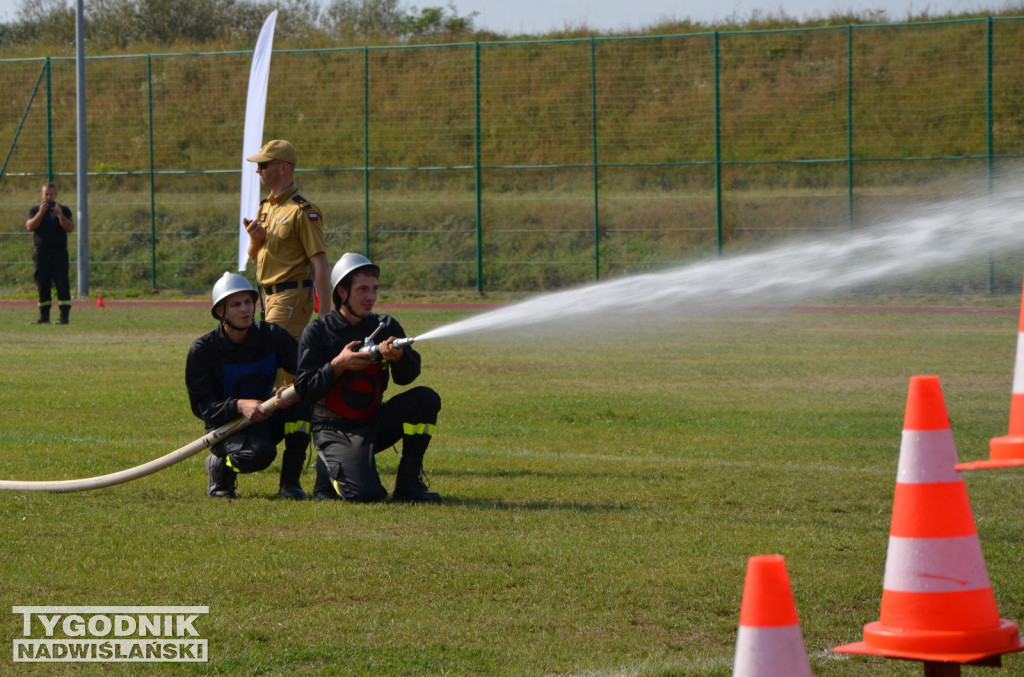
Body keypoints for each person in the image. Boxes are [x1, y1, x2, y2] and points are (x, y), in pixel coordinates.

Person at [294, 253, 442, 503]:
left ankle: (408, 485)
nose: (371, 297)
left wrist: (398, 358)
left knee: (425, 399)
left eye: (374, 289)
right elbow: (304, 390)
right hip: (333, 428)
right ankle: (327, 472)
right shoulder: (319, 332)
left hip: (372, 422)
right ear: (341, 292)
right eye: (362, 289)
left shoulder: (386, 326)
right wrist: (338, 364)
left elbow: (408, 377)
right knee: (366, 495)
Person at [185, 272, 310, 499]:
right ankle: (220, 466)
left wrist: (291, 391)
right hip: (227, 428)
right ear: (220, 311)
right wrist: (240, 406)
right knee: (259, 455)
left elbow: (305, 367)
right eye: (235, 305)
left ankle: (290, 483)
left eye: (248, 303)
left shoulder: (272, 336)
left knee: (302, 406)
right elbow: (203, 406)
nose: (245, 310)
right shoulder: (203, 350)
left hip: (267, 413)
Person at [242, 139, 331, 340]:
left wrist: (325, 315)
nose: (258, 170)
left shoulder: (303, 210)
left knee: (276, 363)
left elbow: (320, 263)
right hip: (270, 297)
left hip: (291, 298)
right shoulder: (266, 207)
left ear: (283, 168)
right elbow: (257, 260)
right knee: (278, 363)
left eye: (263, 165)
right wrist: (256, 241)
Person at [25, 182, 74, 325]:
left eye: (51, 194)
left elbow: (70, 228)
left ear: (56, 195)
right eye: (46, 194)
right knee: (43, 284)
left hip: (59, 253)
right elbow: (30, 226)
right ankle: (44, 316)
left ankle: (64, 316)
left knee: (62, 283)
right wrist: (41, 213)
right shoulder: (35, 209)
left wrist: (60, 214)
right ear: (42, 195)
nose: (49, 197)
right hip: (41, 253)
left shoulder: (64, 209)